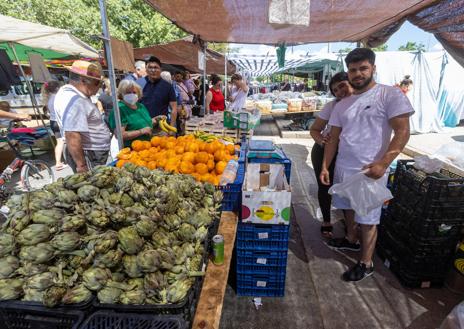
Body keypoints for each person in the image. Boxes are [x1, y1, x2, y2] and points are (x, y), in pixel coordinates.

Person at [320, 48, 414, 282]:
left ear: (373, 68)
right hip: (343, 167)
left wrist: (384, 163)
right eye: (353, 70)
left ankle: (366, 262)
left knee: (368, 218)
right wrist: (325, 166)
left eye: (363, 68)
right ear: (347, 72)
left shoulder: (389, 95)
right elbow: (332, 138)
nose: (357, 74)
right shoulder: (342, 104)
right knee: (348, 208)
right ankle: (351, 240)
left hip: (370, 170)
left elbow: (403, 132)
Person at [309, 72, 353, 238]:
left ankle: (350, 227)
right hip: (324, 152)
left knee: (346, 188)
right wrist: (322, 141)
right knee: (325, 186)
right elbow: (314, 130)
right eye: (335, 90)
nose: (340, 91)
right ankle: (327, 221)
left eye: (342, 85)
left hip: (348, 155)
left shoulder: (363, 103)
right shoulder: (332, 106)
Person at [54, 60, 111, 173]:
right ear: (84, 81)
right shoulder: (75, 101)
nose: (99, 87)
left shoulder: (69, 93)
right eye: (97, 83)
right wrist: (81, 165)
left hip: (91, 152)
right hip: (89, 154)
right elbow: (72, 134)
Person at [108, 80, 157, 147]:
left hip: (148, 148)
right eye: (128, 93)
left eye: (134, 92)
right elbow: (120, 135)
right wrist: (141, 131)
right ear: (121, 94)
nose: (131, 95)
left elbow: (143, 123)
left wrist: (155, 120)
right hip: (132, 151)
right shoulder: (119, 109)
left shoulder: (141, 106)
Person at [139, 56, 177, 130]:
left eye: (156, 67)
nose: (153, 70)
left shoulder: (167, 86)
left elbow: (174, 108)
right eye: (150, 67)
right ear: (146, 70)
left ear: (160, 69)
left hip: (161, 127)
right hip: (143, 126)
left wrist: (172, 128)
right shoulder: (139, 84)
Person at [43, 81, 67, 170]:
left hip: (53, 122)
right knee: (64, 142)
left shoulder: (49, 99)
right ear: (57, 88)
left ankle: (58, 162)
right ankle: (62, 161)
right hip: (59, 122)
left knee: (59, 142)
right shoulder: (58, 98)